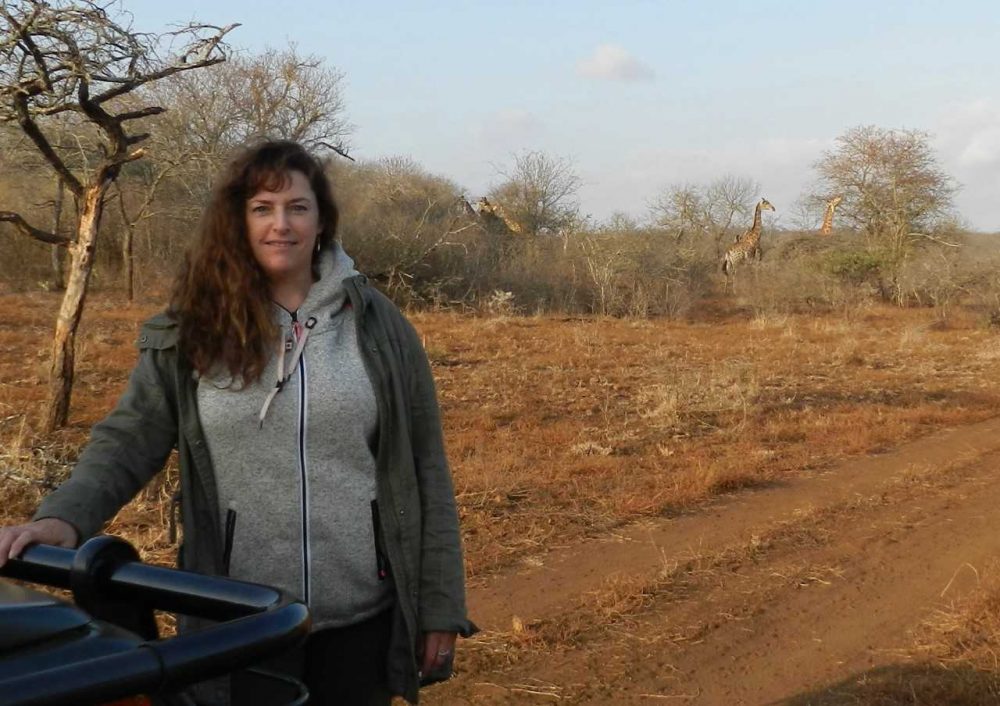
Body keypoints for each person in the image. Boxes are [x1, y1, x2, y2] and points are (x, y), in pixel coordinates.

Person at [0, 140, 476, 705]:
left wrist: (441, 604)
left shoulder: (377, 325)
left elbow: (425, 466)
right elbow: (130, 436)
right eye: (262, 208)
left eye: (298, 207)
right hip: (237, 616)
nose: (282, 224)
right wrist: (65, 518)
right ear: (239, 221)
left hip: (361, 616)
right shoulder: (194, 329)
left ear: (322, 221)